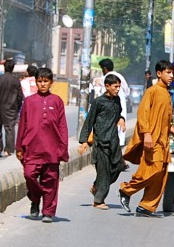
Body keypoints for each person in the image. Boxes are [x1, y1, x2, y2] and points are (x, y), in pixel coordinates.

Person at [117, 59, 174, 217]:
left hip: (163, 140)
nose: (171, 75)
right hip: (153, 138)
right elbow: (143, 114)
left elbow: (163, 117)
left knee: (161, 174)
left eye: (172, 72)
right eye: (168, 72)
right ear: (159, 74)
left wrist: (171, 128)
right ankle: (126, 190)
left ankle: (147, 206)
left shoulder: (166, 92)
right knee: (153, 169)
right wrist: (146, 134)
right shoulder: (152, 91)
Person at [15, 67, 69, 223]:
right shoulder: (29, 101)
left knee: (50, 180)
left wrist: (63, 148)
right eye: (40, 81)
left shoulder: (57, 101)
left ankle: (48, 211)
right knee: (29, 174)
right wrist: (19, 147)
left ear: (51, 82)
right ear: (36, 82)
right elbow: (23, 125)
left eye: (46, 81)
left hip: (52, 149)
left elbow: (62, 127)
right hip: (32, 148)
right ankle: (35, 198)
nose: (43, 84)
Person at [78, 74, 127, 210]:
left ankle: (96, 186)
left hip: (114, 142)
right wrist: (84, 141)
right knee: (104, 172)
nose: (117, 89)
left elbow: (118, 114)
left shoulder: (116, 101)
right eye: (115, 86)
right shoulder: (98, 102)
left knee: (118, 167)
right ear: (107, 86)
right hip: (101, 143)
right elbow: (89, 121)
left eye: (119, 87)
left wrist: (121, 119)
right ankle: (98, 200)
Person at [99, 58, 129, 147]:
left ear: (104, 69)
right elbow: (127, 91)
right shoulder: (120, 76)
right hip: (121, 108)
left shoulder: (105, 78)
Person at [0, 58, 24, 156]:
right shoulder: (16, 81)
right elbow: (20, 96)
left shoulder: (0, 79)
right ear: (13, 68)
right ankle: (8, 150)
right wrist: (18, 107)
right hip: (11, 108)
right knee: (9, 129)